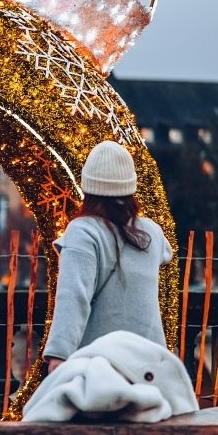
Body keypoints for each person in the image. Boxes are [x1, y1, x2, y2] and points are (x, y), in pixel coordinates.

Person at [42, 140, 173, 373]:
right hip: (152, 368)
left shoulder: (83, 232)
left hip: (102, 369)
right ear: (130, 187)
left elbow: (74, 297)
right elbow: (166, 254)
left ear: (87, 187)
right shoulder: (151, 232)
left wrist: (59, 355)